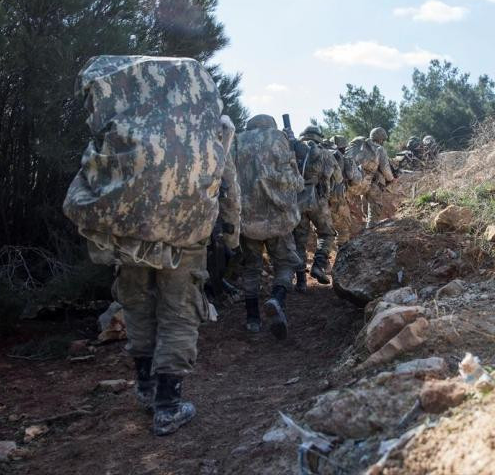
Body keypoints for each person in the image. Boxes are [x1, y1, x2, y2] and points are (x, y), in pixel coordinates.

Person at [63, 56, 233, 436]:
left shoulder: (125, 128)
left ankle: (144, 388)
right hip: (186, 234)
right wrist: (232, 235)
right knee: (179, 311)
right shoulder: (209, 130)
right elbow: (226, 184)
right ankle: (169, 404)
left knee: (137, 306)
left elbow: (92, 177)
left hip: (130, 233)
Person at [234, 114, 304, 338]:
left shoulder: (236, 141)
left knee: (251, 268)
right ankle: (276, 299)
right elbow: (294, 181)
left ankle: (252, 319)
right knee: (285, 264)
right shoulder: (279, 139)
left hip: (247, 219)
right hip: (278, 218)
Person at [291, 125, 341, 291]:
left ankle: (301, 282)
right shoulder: (326, 153)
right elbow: (339, 178)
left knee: (299, 241)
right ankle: (318, 266)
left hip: (297, 201)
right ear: (319, 137)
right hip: (319, 200)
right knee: (327, 233)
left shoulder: (293, 150)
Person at [325, 135, 362, 247]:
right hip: (336, 199)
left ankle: (325, 258)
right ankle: (342, 257)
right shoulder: (341, 157)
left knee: (324, 232)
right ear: (343, 147)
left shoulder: (321, 154)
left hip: (318, 199)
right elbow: (354, 179)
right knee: (343, 230)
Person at [366, 127, 396, 226]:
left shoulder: (364, 148)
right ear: (380, 138)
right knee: (374, 203)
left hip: (361, 181)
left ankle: (367, 223)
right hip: (374, 181)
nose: (383, 141)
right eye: (383, 139)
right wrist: (390, 179)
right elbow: (385, 168)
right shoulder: (379, 149)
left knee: (366, 203)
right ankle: (372, 225)